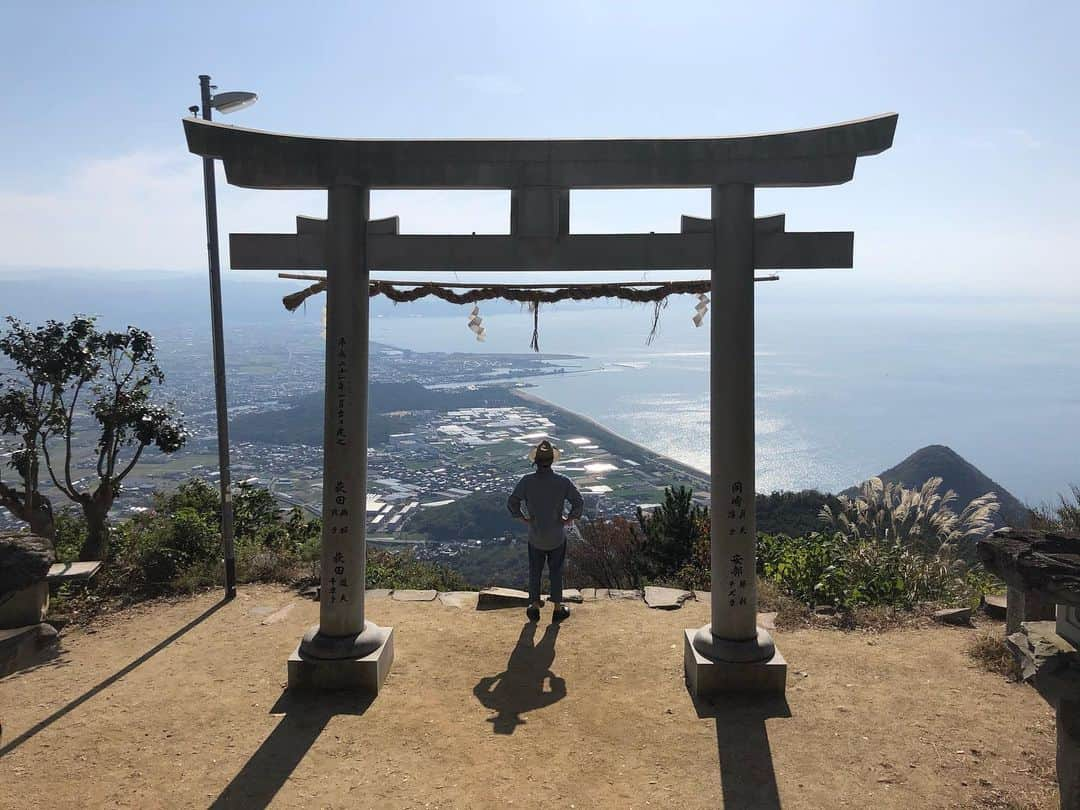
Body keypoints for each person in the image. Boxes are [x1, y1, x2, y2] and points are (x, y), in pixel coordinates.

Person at [507, 439, 584, 622]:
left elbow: (512, 502)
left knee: (535, 570)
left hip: (536, 535)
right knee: (556, 571)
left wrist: (523, 518)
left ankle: (534, 607)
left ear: (536, 461)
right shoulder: (563, 482)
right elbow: (578, 502)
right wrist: (569, 519)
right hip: (557, 535)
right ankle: (558, 609)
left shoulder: (527, 481)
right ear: (552, 461)